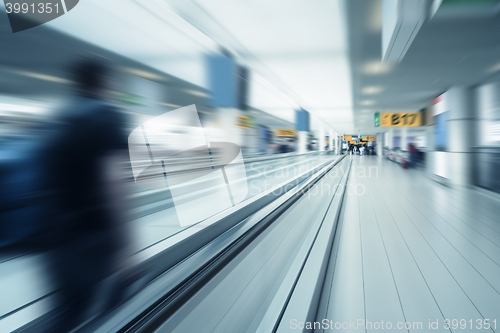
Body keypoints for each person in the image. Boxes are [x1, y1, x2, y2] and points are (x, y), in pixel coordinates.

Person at [41, 59, 132, 332]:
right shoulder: (108, 114)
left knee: (67, 312)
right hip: (95, 235)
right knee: (119, 302)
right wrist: (126, 246)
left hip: (57, 236)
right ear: (104, 82)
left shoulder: (60, 118)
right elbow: (114, 179)